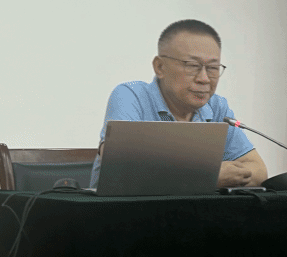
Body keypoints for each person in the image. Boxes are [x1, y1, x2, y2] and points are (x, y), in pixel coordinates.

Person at [90, 20, 268, 188]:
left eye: (213, 68)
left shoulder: (216, 107)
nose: (204, 79)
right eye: (192, 65)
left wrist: (188, 178)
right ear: (160, 67)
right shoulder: (131, 96)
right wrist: (209, 177)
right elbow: (120, 170)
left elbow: (258, 171)